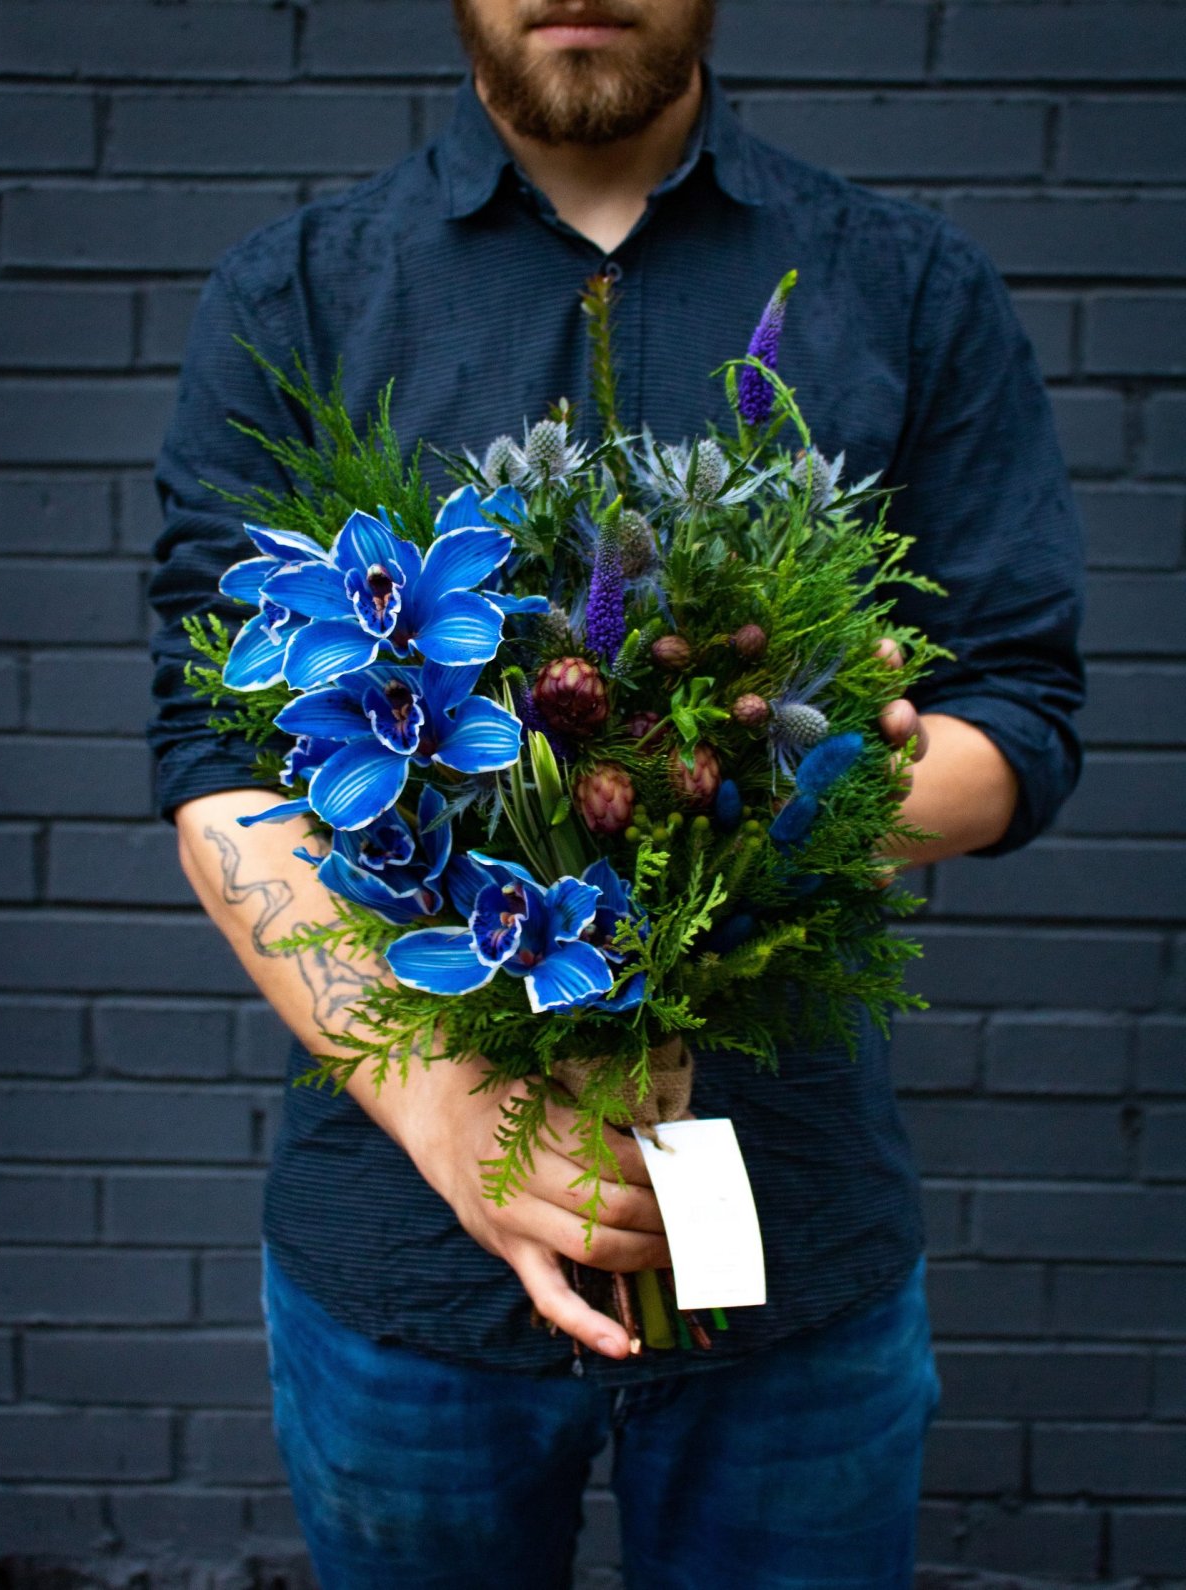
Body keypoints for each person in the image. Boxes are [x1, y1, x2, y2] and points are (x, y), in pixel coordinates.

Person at [147, 2, 1085, 1585]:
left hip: (791, 1244)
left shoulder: (906, 285)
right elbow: (217, 755)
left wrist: (784, 813)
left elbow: (1022, 707)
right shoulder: (298, 293)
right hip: (401, 1272)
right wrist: (452, 1112)